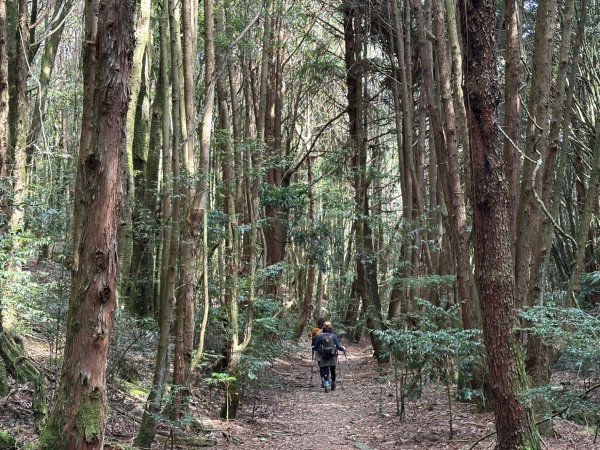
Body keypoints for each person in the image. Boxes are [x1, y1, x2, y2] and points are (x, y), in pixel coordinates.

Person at [312, 321, 345, 391]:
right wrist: (343, 349)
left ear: (323, 328)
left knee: (325, 369)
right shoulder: (334, 336)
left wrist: (313, 348)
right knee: (333, 369)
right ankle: (333, 383)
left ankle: (326, 384)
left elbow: (316, 346)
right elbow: (338, 346)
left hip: (324, 355)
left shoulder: (320, 336)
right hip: (332, 355)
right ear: (331, 328)